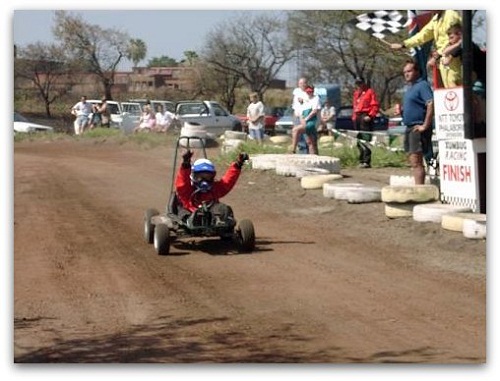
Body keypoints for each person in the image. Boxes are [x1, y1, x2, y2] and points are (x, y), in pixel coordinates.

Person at [174, 150, 249, 227]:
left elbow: (227, 181)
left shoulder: (214, 188)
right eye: (200, 177)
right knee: (182, 213)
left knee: (224, 209)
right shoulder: (187, 189)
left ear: (212, 177)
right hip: (189, 213)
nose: (204, 181)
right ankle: (190, 222)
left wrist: (238, 164)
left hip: (211, 213)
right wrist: (185, 164)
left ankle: (220, 224)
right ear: (193, 176)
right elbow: (182, 182)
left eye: (208, 177)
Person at [389, 10, 462, 89]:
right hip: (444, 59)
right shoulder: (435, 19)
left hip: (453, 57)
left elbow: (454, 39)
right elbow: (422, 36)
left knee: (455, 86)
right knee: (450, 89)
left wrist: (437, 56)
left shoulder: (450, 15)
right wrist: (403, 44)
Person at [401, 59, 434, 185]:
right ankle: (417, 187)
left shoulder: (422, 85)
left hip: (418, 126)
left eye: (409, 71)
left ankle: (420, 189)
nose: (406, 74)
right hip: (409, 127)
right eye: (404, 72)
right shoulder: (410, 88)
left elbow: (430, 103)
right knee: (412, 160)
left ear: (417, 71)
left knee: (417, 160)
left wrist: (425, 125)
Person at [351, 77, 380, 168]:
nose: (359, 85)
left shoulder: (370, 92)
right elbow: (355, 106)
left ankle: (367, 161)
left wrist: (370, 115)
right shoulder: (356, 94)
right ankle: (361, 159)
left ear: (364, 83)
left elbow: (375, 105)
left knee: (366, 138)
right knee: (359, 138)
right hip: (358, 116)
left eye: (360, 83)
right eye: (357, 84)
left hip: (365, 115)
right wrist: (354, 117)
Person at [291, 85, 321, 154]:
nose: (309, 93)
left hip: (313, 121)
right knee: (310, 141)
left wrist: (306, 119)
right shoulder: (306, 99)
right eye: (307, 92)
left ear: (313, 91)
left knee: (295, 130)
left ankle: (293, 150)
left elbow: (314, 111)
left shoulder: (316, 98)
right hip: (307, 122)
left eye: (310, 91)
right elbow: (301, 111)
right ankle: (314, 158)